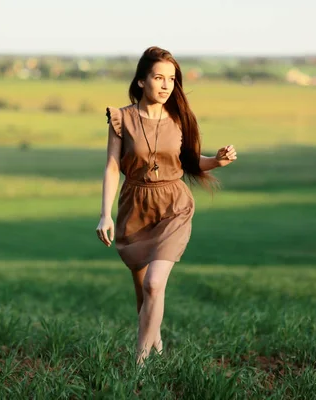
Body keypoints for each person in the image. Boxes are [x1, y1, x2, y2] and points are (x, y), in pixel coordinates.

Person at [96, 46, 237, 366]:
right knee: (143, 293)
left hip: (173, 205)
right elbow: (112, 167)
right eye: (158, 77)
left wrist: (216, 161)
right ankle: (155, 341)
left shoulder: (180, 120)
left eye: (171, 79)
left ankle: (140, 364)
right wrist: (105, 214)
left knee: (154, 283)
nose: (165, 85)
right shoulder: (122, 118)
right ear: (141, 81)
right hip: (135, 208)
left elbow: (189, 162)